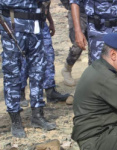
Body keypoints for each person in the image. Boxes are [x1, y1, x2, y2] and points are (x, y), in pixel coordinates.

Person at [0, 0, 56, 138]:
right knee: (12, 73)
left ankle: (37, 115)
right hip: (13, 26)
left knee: (38, 71)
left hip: (36, 26)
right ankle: (15, 120)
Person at [70, 0, 117, 86]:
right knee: (99, 68)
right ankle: (103, 97)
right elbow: (74, 2)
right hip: (98, 29)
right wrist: (78, 31)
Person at [20, 7, 69, 107]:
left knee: (48, 56)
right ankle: (20, 94)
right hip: (25, 24)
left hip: (42, 24)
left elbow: (44, 5)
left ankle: (50, 91)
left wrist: (50, 21)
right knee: (24, 60)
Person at [60, 0, 87, 86]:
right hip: (78, 12)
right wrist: (69, 7)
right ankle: (67, 69)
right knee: (77, 45)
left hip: (95, 13)